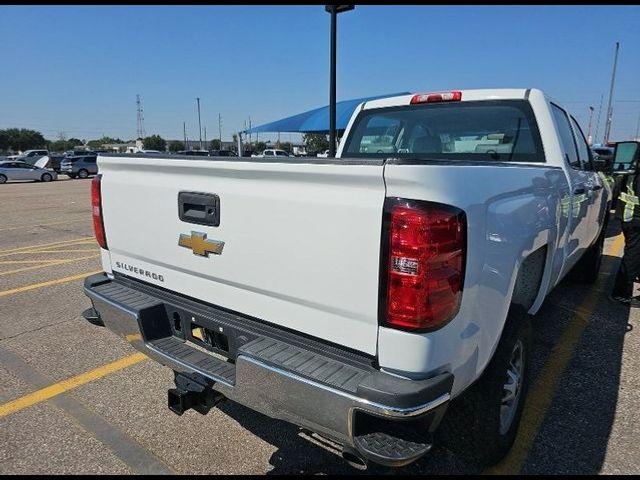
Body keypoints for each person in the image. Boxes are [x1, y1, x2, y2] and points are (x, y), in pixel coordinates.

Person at [611, 142, 640, 305]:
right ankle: (621, 293)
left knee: (633, 254)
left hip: (628, 217)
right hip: (635, 219)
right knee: (632, 256)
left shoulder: (629, 169)